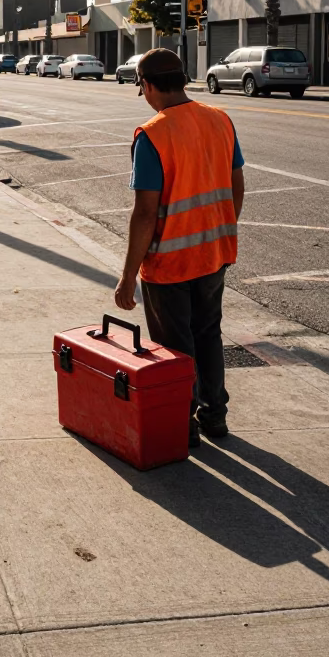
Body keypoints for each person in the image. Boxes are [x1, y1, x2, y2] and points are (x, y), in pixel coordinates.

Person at [114, 48, 245, 448]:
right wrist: (220, 227)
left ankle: (183, 424)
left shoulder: (152, 134)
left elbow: (144, 214)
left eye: (142, 88)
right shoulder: (220, 119)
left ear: (149, 85)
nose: (145, 97)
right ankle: (215, 416)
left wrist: (126, 278)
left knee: (175, 347)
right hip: (214, 255)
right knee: (208, 335)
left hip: (170, 262)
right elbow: (236, 184)